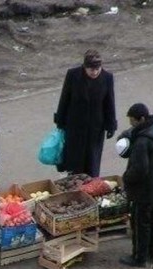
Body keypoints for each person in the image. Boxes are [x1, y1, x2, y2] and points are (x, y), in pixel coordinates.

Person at [119, 103, 153, 267]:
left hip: (144, 190)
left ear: (141, 119)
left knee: (141, 223)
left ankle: (139, 257)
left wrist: (126, 177)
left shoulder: (142, 142)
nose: (131, 124)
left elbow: (139, 169)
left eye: (132, 121)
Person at [54, 49, 117, 177]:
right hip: (75, 125)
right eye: (91, 69)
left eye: (97, 69)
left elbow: (109, 102)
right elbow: (65, 98)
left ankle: (90, 184)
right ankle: (74, 180)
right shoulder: (73, 75)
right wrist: (60, 120)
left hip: (95, 128)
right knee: (75, 159)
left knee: (92, 159)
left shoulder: (107, 78)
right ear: (84, 67)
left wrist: (111, 125)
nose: (94, 72)